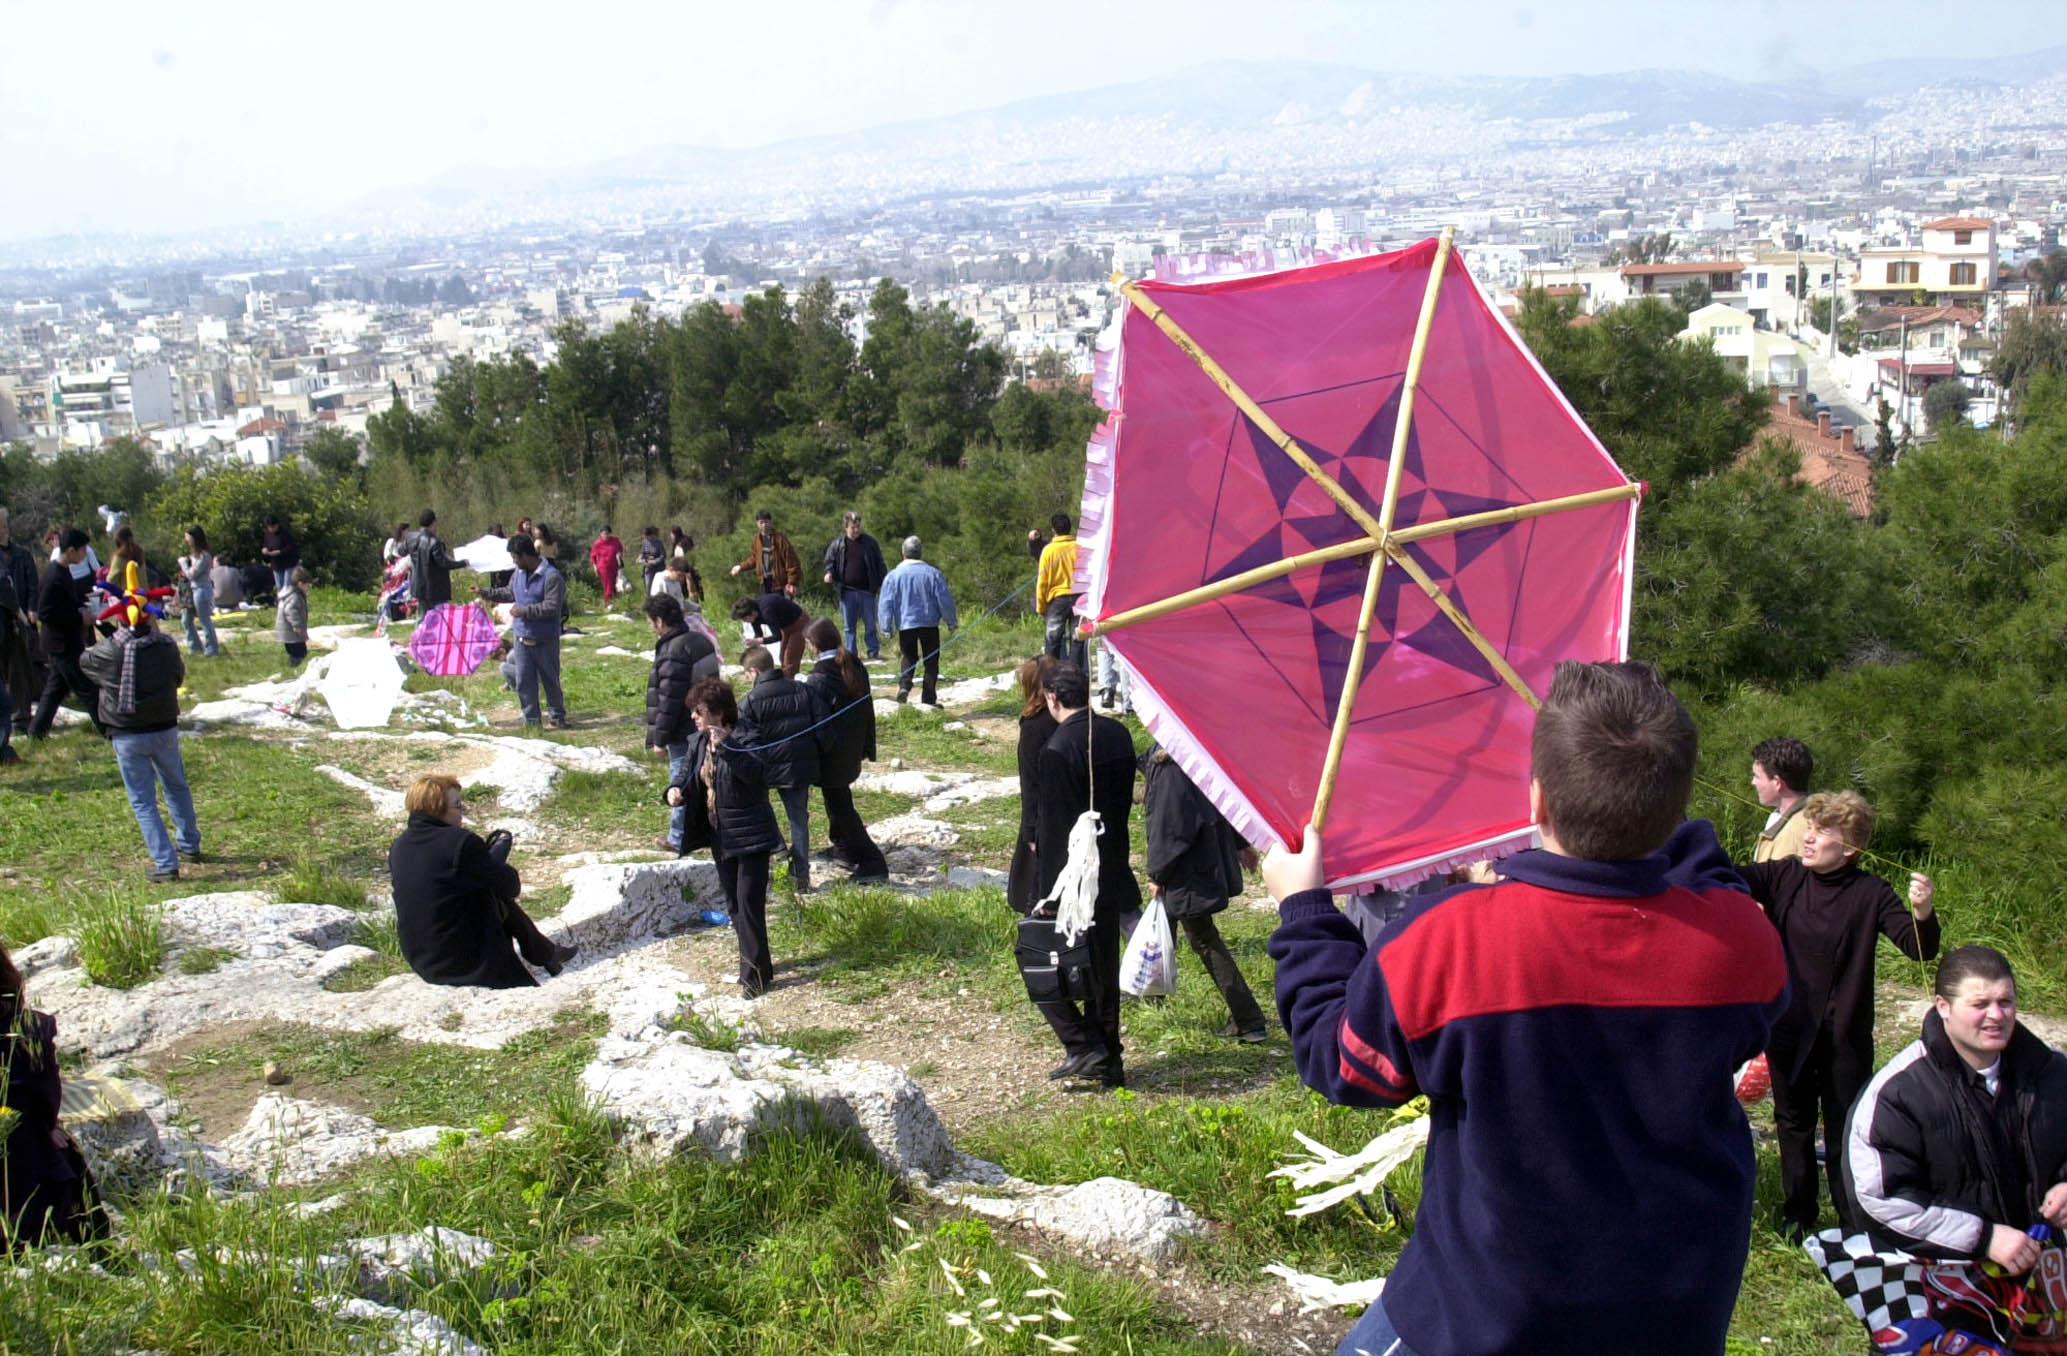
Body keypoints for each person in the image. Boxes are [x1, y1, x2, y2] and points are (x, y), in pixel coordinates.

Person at [1265, 660, 1789, 1356]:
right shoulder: (1739, 940)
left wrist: (1302, 912)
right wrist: (1659, 814)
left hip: (1489, 1313)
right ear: (1672, 803)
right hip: (1672, 1312)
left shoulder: (1449, 939)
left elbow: (1344, 1066)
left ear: (1534, 800)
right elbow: (1707, 870)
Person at [1737, 788, 1938, 1239]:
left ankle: (1854, 1223)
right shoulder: (1786, 875)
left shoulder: (1871, 893)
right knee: (1792, 1123)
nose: (1807, 839)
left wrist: (1922, 911)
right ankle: (1799, 1216)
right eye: (1808, 828)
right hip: (1790, 1029)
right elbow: (1728, 876)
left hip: (1844, 1035)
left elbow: (1918, 948)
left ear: (1848, 848)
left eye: (1821, 832)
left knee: (1846, 1127)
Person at [1837, 946, 2067, 1263]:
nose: (1996, 1015)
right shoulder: (1896, 1094)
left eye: (2005, 1002)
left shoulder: (2054, 1071)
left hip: (2049, 1275)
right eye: (1980, 1004)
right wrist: (1984, 1238)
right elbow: (1879, 1198)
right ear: (1943, 1007)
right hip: (1951, 1285)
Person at [1031, 661, 1140, 1089]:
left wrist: (1046, 894)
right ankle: (1108, 1056)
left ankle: (1082, 1044)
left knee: (1039, 958)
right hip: (1113, 863)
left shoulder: (1058, 748)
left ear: (1053, 699)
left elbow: (1057, 827)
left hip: (1076, 877)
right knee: (1103, 964)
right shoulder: (1118, 733)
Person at [387, 773, 575, 989]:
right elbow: (510, 886)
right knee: (489, 890)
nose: (462, 813)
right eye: (457, 806)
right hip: (466, 963)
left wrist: (485, 864)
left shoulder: (399, 847)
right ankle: (544, 953)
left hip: (423, 960)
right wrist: (495, 859)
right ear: (438, 808)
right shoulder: (460, 842)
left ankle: (545, 952)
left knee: (479, 885)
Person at [1141, 742, 1268, 1042]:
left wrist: (1158, 873)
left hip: (1189, 866)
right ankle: (1152, 991)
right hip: (1200, 859)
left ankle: (1249, 1019)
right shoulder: (1198, 751)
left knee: (1203, 938)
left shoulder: (1171, 766)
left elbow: (1170, 828)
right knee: (1170, 923)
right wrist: (1239, 842)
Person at [667, 677, 783, 997]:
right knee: (734, 904)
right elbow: (686, 775)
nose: (693, 717)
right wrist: (673, 791)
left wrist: (729, 746)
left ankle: (754, 977)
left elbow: (759, 775)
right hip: (720, 835)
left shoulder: (748, 735)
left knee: (748, 904)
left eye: (699, 711)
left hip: (751, 835)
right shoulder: (698, 742)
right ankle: (759, 964)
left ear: (718, 713)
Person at [80, 609, 199, 882]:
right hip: (164, 725)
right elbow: (178, 677)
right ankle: (190, 844)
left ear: (120, 619)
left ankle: (166, 863)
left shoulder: (109, 651)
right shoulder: (166, 646)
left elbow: (84, 662)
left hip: (126, 731)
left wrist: (108, 637)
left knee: (143, 801)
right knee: (176, 785)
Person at [2, 942, 105, 1247]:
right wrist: (46, 1126)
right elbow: (45, 1094)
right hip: (29, 1175)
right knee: (56, 1152)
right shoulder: (30, 1030)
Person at [736, 644, 833, 893]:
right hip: (801, 767)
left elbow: (745, 740)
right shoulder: (803, 689)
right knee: (798, 819)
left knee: (761, 808)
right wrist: (817, 754)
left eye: (747, 673)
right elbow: (824, 726)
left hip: (767, 769)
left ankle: (778, 849)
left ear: (754, 671)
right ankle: (801, 876)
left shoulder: (750, 701)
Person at [801, 617, 889, 881]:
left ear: (813, 645)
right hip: (853, 747)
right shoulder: (853, 663)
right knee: (836, 801)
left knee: (841, 807)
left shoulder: (818, 678)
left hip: (833, 754)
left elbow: (817, 724)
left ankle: (873, 863)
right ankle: (843, 848)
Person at [645, 594, 719, 852]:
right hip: (708, 720)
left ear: (659, 621)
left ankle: (678, 837)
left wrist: (659, 738)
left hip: (683, 727)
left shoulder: (673, 650)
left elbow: (669, 700)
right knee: (704, 776)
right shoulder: (700, 640)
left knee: (679, 778)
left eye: (651, 622)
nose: (651, 627)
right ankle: (707, 830)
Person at [479, 533, 567, 729]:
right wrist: (486, 593)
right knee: (524, 682)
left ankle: (557, 715)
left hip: (545, 639)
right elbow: (510, 592)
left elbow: (551, 607)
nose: (514, 561)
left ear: (526, 555)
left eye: (515, 557)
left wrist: (524, 611)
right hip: (521, 639)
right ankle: (532, 721)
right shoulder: (518, 574)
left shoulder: (552, 577)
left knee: (550, 680)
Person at [28, 530, 102, 740]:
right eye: (82, 552)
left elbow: (66, 602)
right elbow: (45, 612)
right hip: (60, 644)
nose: (84, 556)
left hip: (67, 640)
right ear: (71, 551)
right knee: (86, 688)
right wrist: (79, 619)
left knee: (56, 689)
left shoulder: (64, 571)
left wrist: (82, 609)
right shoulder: (53, 576)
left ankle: (36, 732)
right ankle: (110, 729)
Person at [877, 535, 958, 706]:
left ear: (903, 553)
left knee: (908, 656)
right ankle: (928, 699)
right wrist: (951, 621)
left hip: (906, 624)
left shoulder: (893, 576)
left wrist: (886, 627)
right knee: (931, 661)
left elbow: (886, 602)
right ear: (921, 553)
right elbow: (944, 600)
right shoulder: (933, 573)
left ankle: (904, 685)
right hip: (929, 624)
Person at [0, 507, 43, 740]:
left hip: (20, 619)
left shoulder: (21, 553)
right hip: (7, 618)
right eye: (2, 525)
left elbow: (32, 584)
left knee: (21, 670)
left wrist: (31, 609)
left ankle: (21, 717)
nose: (5, 529)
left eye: (6, 524)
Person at [822, 511, 887, 661]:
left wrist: (883, 583)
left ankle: (873, 652)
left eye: (858, 526)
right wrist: (828, 573)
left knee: (871, 624)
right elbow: (829, 562)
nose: (856, 530)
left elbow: (880, 564)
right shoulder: (838, 544)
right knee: (849, 627)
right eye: (853, 527)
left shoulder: (870, 543)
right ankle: (851, 654)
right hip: (847, 592)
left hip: (867, 591)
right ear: (846, 527)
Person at [1032, 513, 1086, 670]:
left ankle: (1052, 678)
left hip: (1057, 600)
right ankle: (1075, 676)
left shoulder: (1048, 551)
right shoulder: (1080, 547)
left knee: (1053, 641)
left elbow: (1042, 582)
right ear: (1070, 528)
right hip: (1080, 599)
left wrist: (1041, 607)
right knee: (1078, 640)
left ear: (1053, 530)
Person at [1751, 735, 1812, 862]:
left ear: (1777, 782)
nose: (1753, 782)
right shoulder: (1779, 816)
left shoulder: (1796, 834)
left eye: (1756, 776)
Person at [730, 591, 810, 678]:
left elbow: (778, 636)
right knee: (782, 656)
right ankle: (787, 679)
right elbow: (758, 635)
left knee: (790, 659)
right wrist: (753, 644)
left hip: (799, 622)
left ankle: (790, 684)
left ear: (752, 613)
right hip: (785, 626)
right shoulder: (754, 614)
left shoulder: (767, 611)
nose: (744, 621)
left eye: (744, 619)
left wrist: (760, 641)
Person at [730, 510, 801, 596]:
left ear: (770, 523)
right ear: (757, 524)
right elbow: (755, 559)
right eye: (761, 522)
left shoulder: (780, 540)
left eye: (766, 522)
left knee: (781, 607)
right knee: (767, 607)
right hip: (765, 582)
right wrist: (740, 567)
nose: (764, 525)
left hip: (780, 584)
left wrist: (791, 582)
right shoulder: (757, 540)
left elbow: (791, 562)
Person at [177, 526, 220, 658]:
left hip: (202, 591)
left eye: (188, 537)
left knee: (204, 620)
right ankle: (194, 646)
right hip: (191, 591)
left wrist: (183, 564)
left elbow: (192, 574)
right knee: (186, 619)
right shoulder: (193, 556)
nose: (186, 540)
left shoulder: (205, 556)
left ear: (195, 538)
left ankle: (212, 649)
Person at [409, 510, 454, 608]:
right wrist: (463, 563)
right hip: (435, 588)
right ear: (433, 523)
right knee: (439, 617)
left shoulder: (410, 538)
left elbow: (401, 551)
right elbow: (444, 563)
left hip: (418, 587)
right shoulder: (434, 542)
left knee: (421, 618)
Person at [275, 566, 310, 668]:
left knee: (296, 652)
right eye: (307, 585)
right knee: (300, 652)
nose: (308, 587)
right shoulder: (294, 596)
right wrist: (296, 625)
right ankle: (294, 669)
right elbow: (290, 610)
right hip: (291, 632)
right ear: (300, 584)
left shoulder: (291, 594)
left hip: (288, 632)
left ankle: (293, 667)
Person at [260, 513, 300, 597]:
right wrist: (265, 549)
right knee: (279, 587)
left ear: (277, 524)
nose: (271, 529)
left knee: (287, 587)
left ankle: (288, 605)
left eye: (273, 526)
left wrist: (280, 552)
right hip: (276, 564)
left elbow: (292, 547)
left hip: (289, 563)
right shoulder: (268, 533)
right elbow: (266, 544)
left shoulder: (285, 533)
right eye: (269, 527)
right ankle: (281, 605)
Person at [589, 526, 625, 608]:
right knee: (608, 586)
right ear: (600, 534)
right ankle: (607, 605)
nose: (606, 535)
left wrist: (619, 555)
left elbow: (620, 549)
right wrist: (595, 567)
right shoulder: (597, 543)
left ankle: (615, 604)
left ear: (610, 533)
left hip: (615, 566)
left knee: (614, 585)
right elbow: (592, 556)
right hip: (603, 567)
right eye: (604, 534)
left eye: (608, 533)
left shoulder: (615, 540)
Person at [638, 526, 667, 595]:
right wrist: (640, 559)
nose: (646, 539)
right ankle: (649, 600)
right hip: (648, 568)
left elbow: (663, 555)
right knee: (648, 586)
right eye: (645, 537)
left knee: (660, 586)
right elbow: (643, 553)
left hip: (659, 568)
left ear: (651, 535)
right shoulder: (644, 542)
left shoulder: (659, 542)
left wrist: (654, 562)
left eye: (647, 537)